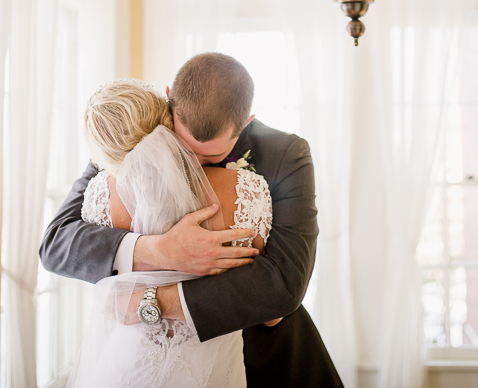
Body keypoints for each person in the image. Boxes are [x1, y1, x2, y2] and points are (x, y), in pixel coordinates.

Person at [40, 53, 342, 387]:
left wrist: (154, 302)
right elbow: (56, 243)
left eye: (209, 157)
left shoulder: (285, 154)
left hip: (262, 358)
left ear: (247, 121)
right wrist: (157, 251)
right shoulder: (133, 134)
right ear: (169, 98)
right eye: (182, 147)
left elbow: (285, 283)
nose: (192, 165)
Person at [69, 79, 275, 386]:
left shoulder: (101, 195)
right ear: (167, 116)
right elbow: (270, 310)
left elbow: (100, 281)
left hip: (127, 366)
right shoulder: (246, 190)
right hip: (213, 368)